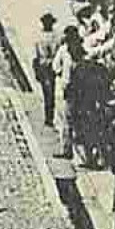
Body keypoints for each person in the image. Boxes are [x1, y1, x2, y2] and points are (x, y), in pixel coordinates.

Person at [52, 25, 85, 160]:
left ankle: (73, 148)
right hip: (64, 89)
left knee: (73, 120)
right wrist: (62, 78)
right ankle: (66, 149)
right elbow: (55, 66)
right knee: (65, 120)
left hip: (76, 89)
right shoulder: (63, 51)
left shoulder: (79, 52)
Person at [32, 12, 61, 128]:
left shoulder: (41, 37)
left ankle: (49, 117)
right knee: (49, 92)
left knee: (49, 92)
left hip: (47, 66)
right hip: (47, 67)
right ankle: (49, 116)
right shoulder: (54, 37)